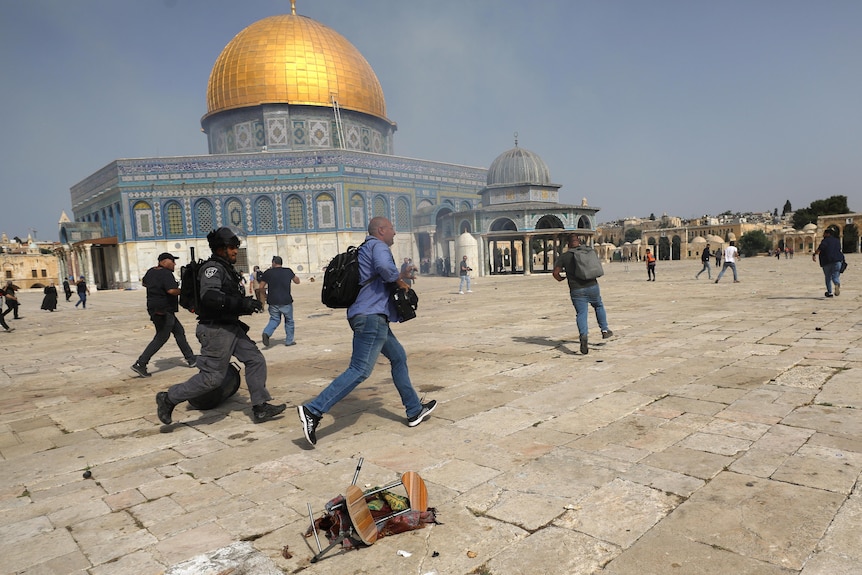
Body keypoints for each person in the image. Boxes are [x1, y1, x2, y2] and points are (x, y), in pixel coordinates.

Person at [297, 217, 436, 446]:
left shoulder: (364, 248)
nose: (394, 232)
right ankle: (313, 410)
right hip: (371, 318)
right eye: (392, 228)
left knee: (398, 357)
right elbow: (384, 268)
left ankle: (414, 410)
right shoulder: (378, 246)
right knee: (360, 369)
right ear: (381, 230)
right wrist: (401, 283)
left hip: (369, 316)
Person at [155, 228, 286, 425]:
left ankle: (260, 406)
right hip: (216, 331)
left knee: (255, 360)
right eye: (232, 248)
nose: (235, 251)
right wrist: (240, 304)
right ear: (220, 249)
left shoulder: (226, 268)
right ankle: (169, 397)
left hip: (231, 327)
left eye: (236, 247)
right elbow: (210, 297)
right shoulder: (213, 269)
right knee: (213, 378)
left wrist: (247, 305)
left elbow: (228, 297)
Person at [131, 253, 197, 377]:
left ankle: (191, 359)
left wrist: (156, 288)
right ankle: (141, 363)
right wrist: (186, 292)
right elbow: (171, 290)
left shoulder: (151, 271)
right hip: (164, 310)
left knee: (179, 332)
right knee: (161, 337)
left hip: (156, 308)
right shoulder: (166, 273)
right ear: (164, 261)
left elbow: (144, 283)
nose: (174, 264)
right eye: (172, 261)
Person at [552, 234, 613, 355]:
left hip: (576, 290)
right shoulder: (588, 251)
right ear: (578, 242)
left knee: (581, 313)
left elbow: (555, 273)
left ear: (568, 244)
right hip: (592, 286)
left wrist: (560, 278)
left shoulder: (564, 256)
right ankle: (605, 329)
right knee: (598, 306)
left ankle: (583, 336)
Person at [260, 255, 301, 347]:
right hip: (286, 300)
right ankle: (289, 341)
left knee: (274, 319)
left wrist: (265, 296)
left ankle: (267, 332)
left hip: (273, 301)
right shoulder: (288, 271)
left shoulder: (268, 272)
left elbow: (261, 287)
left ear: (274, 263)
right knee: (289, 321)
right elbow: (297, 281)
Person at [813, 228, 844, 297]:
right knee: (835, 275)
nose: (823, 235)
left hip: (827, 261)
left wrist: (814, 254)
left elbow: (820, 248)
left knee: (828, 277)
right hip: (838, 260)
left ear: (828, 234)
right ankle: (836, 283)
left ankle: (829, 292)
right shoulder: (837, 241)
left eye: (824, 233)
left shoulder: (825, 241)